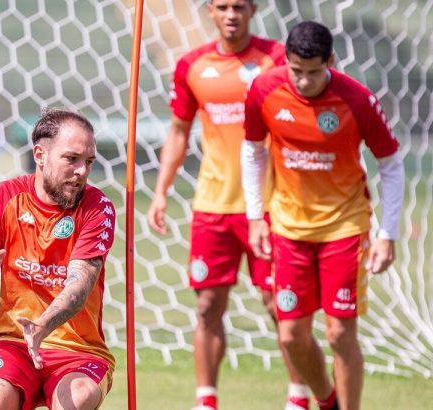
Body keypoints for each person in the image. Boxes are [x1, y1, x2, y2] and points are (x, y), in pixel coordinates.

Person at [147, 1, 307, 409]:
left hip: (270, 206)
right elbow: (179, 131)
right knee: (206, 305)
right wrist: (161, 190)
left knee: (279, 305)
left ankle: (298, 397)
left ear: (253, 10)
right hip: (212, 206)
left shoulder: (276, 59)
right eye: (222, 6)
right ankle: (206, 400)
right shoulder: (192, 66)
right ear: (210, 12)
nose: (231, 13)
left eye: (239, 5)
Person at [241, 21, 404, 410]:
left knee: (338, 333)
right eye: (297, 71)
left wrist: (388, 233)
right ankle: (326, 402)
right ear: (288, 62)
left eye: (314, 72)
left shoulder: (357, 99)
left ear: (330, 61)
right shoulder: (265, 89)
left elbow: (392, 164)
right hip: (288, 227)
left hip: (344, 227)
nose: (304, 80)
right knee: (292, 334)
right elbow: (252, 149)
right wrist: (254, 215)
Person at [0, 107, 117, 410]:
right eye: (72, 159)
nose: (82, 171)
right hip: (14, 345)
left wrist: (42, 325)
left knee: (75, 400)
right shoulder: (5, 196)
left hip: (78, 350)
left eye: (89, 162)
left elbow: (78, 289)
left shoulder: (97, 207)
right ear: (40, 155)